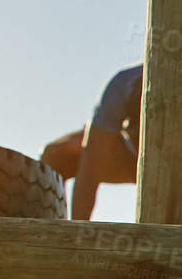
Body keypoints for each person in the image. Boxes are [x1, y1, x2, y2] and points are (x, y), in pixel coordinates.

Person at [41, 64, 142, 220]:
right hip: (138, 159)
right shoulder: (125, 83)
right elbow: (90, 169)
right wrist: (78, 236)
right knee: (58, 154)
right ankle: (44, 235)